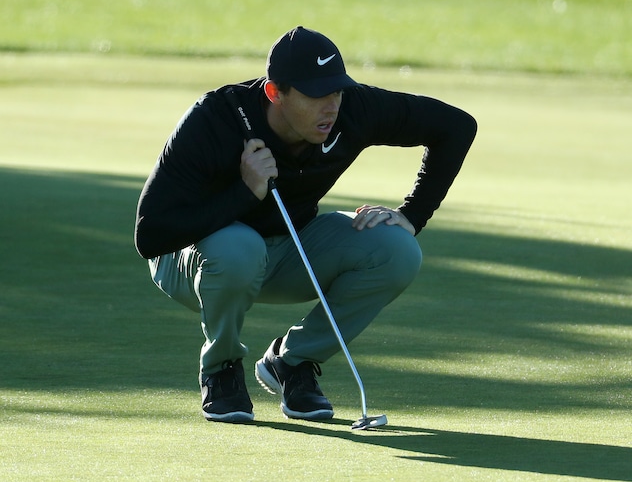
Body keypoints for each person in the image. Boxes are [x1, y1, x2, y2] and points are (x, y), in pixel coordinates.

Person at [135, 26, 476, 423]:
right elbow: (150, 235)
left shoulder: (350, 110)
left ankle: (293, 362)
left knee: (397, 249)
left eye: (337, 91)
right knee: (238, 247)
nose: (331, 107)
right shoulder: (215, 119)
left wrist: (412, 215)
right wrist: (245, 193)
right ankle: (221, 368)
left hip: (287, 251)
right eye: (316, 96)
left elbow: (456, 126)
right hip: (190, 260)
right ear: (275, 93)